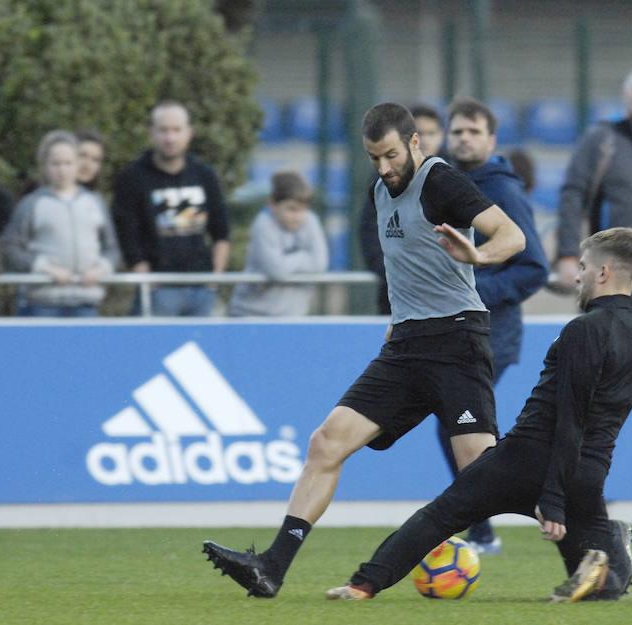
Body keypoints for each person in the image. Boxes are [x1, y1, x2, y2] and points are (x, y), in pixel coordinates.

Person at [202, 101, 526, 598]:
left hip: (457, 340)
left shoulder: (441, 182)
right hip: (407, 345)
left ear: (416, 143)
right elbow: (406, 268)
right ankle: (271, 566)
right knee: (326, 443)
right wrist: (398, 321)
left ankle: (596, 533)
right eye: (374, 157)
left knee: (485, 480)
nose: (384, 168)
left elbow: (513, 235)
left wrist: (478, 254)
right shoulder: (379, 191)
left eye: (392, 155)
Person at [324, 227, 632, 603]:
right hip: (587, 474)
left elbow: (570, 415)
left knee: (441, 517)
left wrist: (552, 499)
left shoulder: (584, 329)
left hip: (524, 460)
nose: (577, 276)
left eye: (583, 267)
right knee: (599, 591)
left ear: (604, 272)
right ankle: (609, 545)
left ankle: (362, 586)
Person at [436, 96, 549, 553]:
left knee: (462, 426)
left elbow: (533, 267)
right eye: (457, 131)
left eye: (473, 131)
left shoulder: (501, 191)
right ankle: (525, 508)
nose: (464, 138)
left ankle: (495, 523)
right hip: (454, 330)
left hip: (491, 334)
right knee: (461, 428)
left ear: (491, 139)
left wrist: (477, 292)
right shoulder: (445, 184)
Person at [555, 63, 632, 311]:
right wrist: (567, 255)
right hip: (606, 272)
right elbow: (572, 195)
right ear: (624, 94)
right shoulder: (601, 139)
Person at [112, 100, 230, 316]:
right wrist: (144, 276)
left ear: (189, 133)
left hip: (202, 287)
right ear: (151, 133)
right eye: (163, 130)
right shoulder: (132, 178)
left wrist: (216, 276)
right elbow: (126, 232)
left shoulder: (205, 175)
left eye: (177, 130)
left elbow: (221, 230)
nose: (170, 138)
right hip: (159, 288)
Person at [1, 130, 120, 317]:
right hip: (42, 303)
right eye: (55, 163)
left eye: (68, 163)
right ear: (44, 165)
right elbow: (11, 249)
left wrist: (102, 268)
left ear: (76, 164)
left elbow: (112, 249)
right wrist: (46, 269)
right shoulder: (31, 204)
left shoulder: (95, 202)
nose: (62, 170)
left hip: (86, 301)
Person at [359, 103, 447, 314]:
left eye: (431, 133)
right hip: (396, 296)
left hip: (445, 297)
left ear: (442, 136)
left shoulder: (454, 178)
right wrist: (393, 271)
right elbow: (370, 230)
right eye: (420, 133)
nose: (425, 140)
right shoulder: (383, 180)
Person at [229, 169, 329, 316]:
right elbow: (276, 270)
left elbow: (320, 264)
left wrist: (287, 262)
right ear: (272, 205)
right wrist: (303, 257)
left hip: (292, 316)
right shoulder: (263, 224)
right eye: (291, 209)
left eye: (303, 209)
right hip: (250, 314)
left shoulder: (310, 221)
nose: (298, 216)